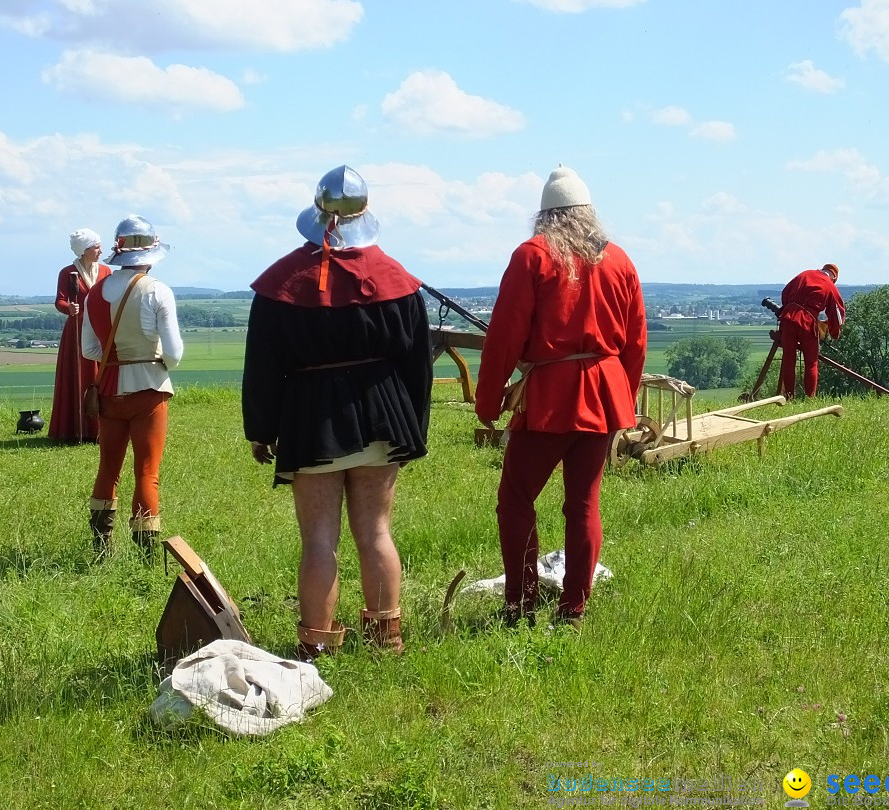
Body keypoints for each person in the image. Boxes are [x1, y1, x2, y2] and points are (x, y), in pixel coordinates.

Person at [242, 165, 432, 658]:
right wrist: (412, 429)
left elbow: (262, 365)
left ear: (318, 214)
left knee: (319, 539)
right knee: (375, 532)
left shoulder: (282, 282)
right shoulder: (397, 279)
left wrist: (261, 430)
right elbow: (417, 366)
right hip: (383, 419)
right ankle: (385, 640)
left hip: (311, 419)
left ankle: (317, 647)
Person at [474, 165, 647, 629]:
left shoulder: (532, 256)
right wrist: (622, 402)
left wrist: (488, 403)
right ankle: (573, 610)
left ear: (546, 215)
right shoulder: (620, 261)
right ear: (587, 213)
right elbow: (634, 344)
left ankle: (521, 605)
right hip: (604, 396)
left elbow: (505, 338)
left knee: (515, 499)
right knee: (584, 505)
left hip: (551, 398)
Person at [81, 215, 183, 561]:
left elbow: (90, 350)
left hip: (109, 390)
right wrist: (153, 360)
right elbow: (175, 354)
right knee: (147, 471)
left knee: (108, 468)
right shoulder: (157, 291)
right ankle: (146, 555)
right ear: (150, 255)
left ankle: (100, 547)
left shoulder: (96, 292)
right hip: (149, 389)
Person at [48, 228, 111, 443]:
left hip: (99, 328)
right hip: (76, 329)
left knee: (100, 376)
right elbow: (60, 300)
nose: (100, 251)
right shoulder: (67, 273)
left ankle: (101, 429)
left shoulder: (105, 272)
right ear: (83, 251)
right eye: (96, 247)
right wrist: (69, 309)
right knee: (78, 376)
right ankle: (74, 429)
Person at [777, 263, 845, 398]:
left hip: (788, 320)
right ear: (834, 277)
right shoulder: (830, 286)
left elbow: (785, 292)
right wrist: (834, 333)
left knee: (788, 360)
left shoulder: (805, 274)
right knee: (811, 363)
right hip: (807, 323)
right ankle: (810, 398)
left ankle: (788, 397)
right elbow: (837, 314)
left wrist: (788, 307)